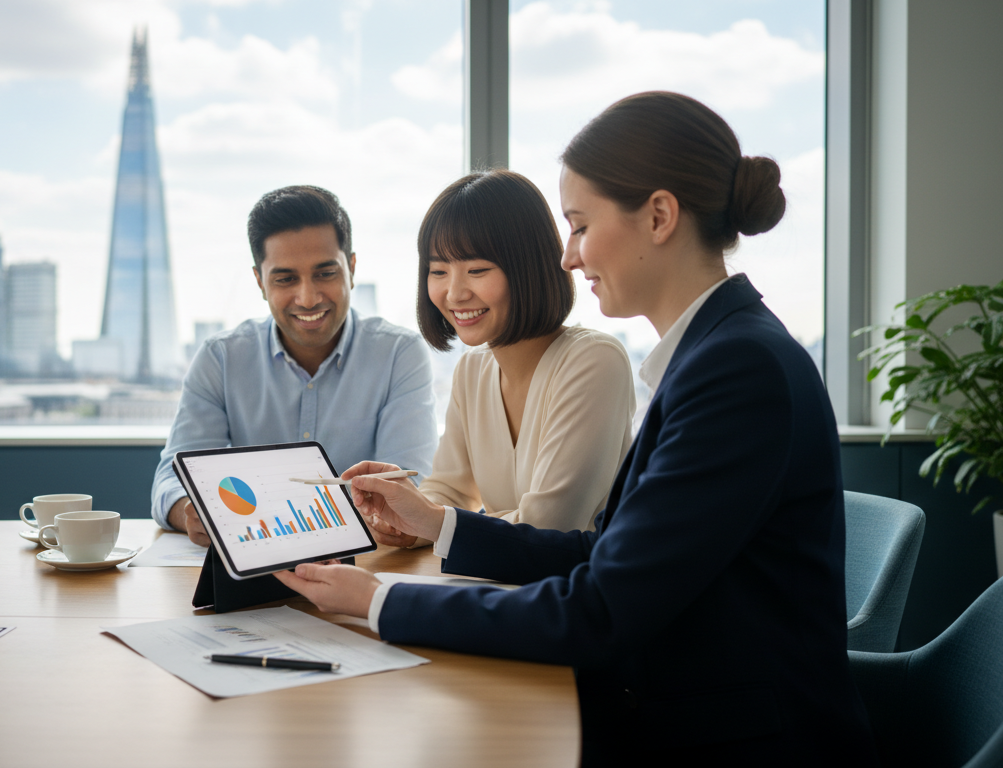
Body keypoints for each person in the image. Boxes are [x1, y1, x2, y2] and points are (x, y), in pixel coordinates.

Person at [275, 92, 877, 764]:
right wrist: (440, 525)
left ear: (658, 216)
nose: (567, 256)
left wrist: (382, 599)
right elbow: (604, 553)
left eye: (581, 226)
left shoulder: (737, 371)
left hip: (728, 738)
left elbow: (601, 611)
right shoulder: (723, 352)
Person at [151, 185, 439, 546]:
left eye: (325, 273)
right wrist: (188, 510)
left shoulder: (400, 354)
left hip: (365, 568)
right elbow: (172, 479)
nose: (308, 298)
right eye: (286, 279)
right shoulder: (220, 359)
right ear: (260, 282)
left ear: (351, 268)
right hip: (251, 564)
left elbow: (411, 487)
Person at [368, 169, 633, 549]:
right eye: (438, 270)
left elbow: (551, 526)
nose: (454, 293)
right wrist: (405, 519)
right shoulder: (472, 370)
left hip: (578, 595)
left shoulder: (594, 361)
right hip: (501, 585)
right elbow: (450, 490)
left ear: (527, 267)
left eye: (477, 270)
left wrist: (433, 521)